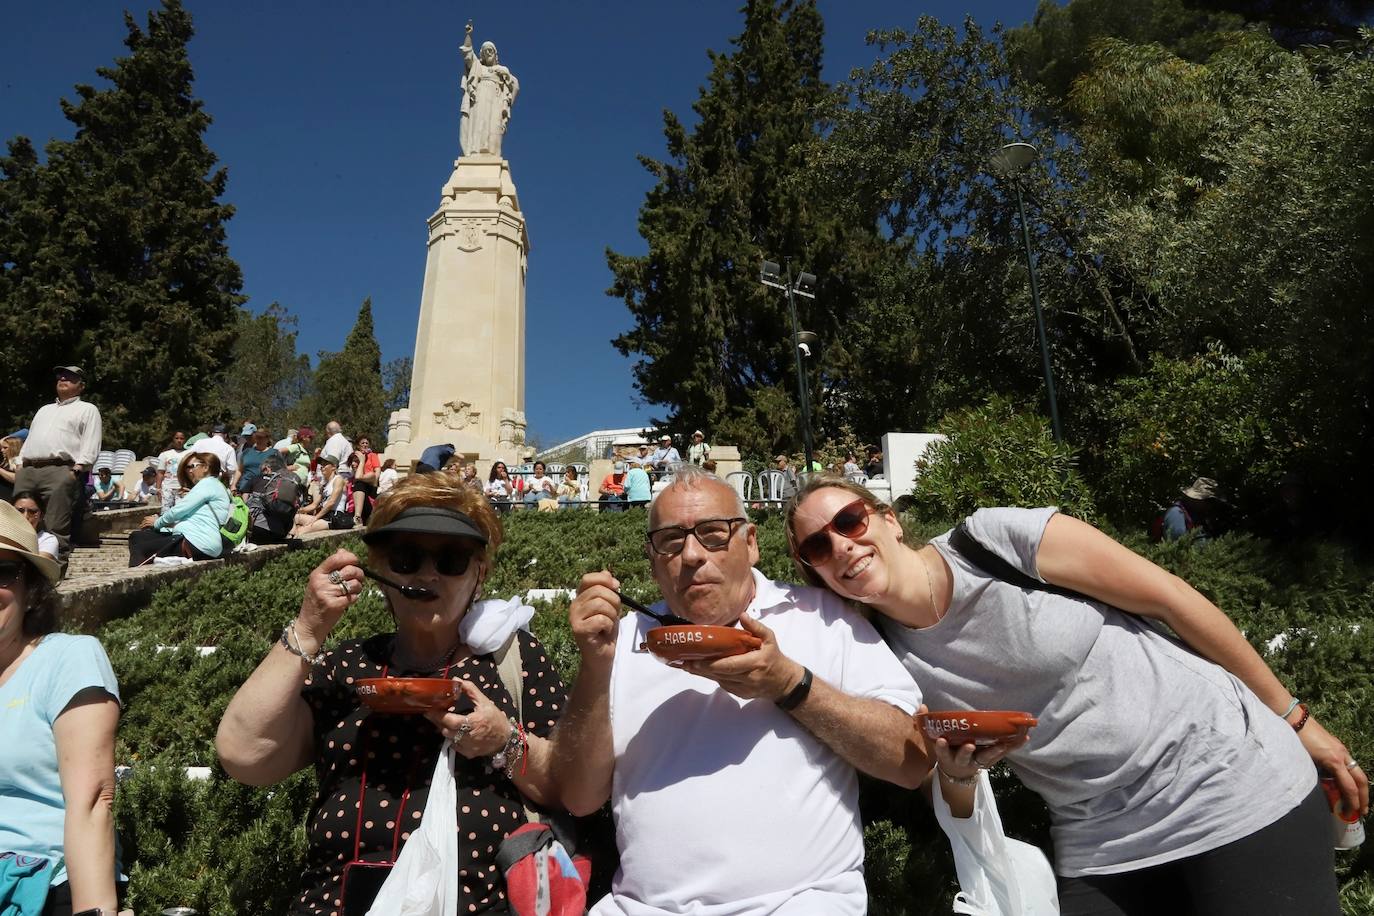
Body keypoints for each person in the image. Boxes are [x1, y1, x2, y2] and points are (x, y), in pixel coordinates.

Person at [784, 477, 1366, 916]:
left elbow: (1171, 598)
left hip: (1226, 781)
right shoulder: (881, 655)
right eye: (816, 547)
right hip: (1099, 840)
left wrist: (1294, 718)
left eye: (850, 521)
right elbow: (945, 785)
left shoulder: (992, 542)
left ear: (888, 520)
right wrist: (960, 771)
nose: (840, 546)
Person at [553, 465, 930, 915]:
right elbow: (578, 797)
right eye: (672, 540)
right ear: (653, 559)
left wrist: (788, 683)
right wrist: (595, 668)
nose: (692, 554)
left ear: (750, 543)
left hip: (799, 904)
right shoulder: (622, 639)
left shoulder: (822, 618)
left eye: (713, 533)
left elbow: (910, 760)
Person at [215, 471, 567, 916]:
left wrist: (504, 742)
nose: (427, 573)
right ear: (381, 572)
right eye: (405, 558)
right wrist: (309, 627)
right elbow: (245, 754)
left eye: (451, 559)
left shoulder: (512, 660)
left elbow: (568, 786)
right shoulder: (347, 665)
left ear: (478, 574)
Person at [0, 500, 123, 916]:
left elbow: (91, 800)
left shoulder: (67, 658)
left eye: (2, 572)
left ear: (29, 588)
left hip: (36, 880)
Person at [15, 366, 102, 574]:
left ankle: (53, 576)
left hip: (60, 470)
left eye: (70, 377)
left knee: (55, 526)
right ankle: (15, 571)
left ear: (81, 386)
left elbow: (91, 442)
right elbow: (31, 438)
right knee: (17, 522)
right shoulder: (44, 410)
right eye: (60, 376)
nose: (63, 378)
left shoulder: (87, 409)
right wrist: (19, 464)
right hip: (28, 470)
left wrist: (76, 471)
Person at [128, 452, 230, 566]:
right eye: (187, 468)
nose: (189, 471)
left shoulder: (207, 484)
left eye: (192, 466)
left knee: (140, 547)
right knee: (137, 537)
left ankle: (136, 580)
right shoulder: (214, 486)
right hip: (194, 540)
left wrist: (157, 523)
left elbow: (178, 511)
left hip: (196, 543)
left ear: (205, 467)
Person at [459, 21, 519, 157]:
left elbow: (515, 86)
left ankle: (492, 154)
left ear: (495, 54)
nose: (488, 53)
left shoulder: (502, 71)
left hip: (496, 100)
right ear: (482, 55)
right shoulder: (478, 67)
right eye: (485, 51)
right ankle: (474, 153)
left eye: (490, 50)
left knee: (494, 127)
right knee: (479, 124)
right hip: (479, 98)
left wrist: (508, 100)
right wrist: (468, 34)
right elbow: (467, 53)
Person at [290, 455, 352, 536]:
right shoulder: (324, 485)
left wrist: (316, 517)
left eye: (325, 464)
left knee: (301, 531)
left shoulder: (338, 479)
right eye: (321, 465)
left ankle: (293, 543)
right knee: (294, 517)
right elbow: (314, 505)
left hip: (335, 517)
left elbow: (331, 502)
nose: (322, 467)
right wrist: (298, 510)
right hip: (325, 515)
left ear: (333, 467)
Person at [1158, 477, 1225, 543]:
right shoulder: (1177, 514)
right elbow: (1178, 545)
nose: (1210, 505)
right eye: (1208, 501)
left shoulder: (1198, 515)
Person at [12, 492, 59, 564]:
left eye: (32, 512)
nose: (25, 517)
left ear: (41, 516)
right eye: (20, 511)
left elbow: (38, 565)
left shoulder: (47, 540)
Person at [350, 435, 382, 524]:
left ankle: (357, 516)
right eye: (362, 443)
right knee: (359, 483)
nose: (365, 445)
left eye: (367, 443)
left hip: (370, 481)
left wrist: (375, 481)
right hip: (359, 482)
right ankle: (357, 516)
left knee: (361, 480)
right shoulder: (356, 456)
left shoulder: (372, 455)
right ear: (358, 445)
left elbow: (377, 471)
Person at [234, 427, 274, 494]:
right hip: (244, 488)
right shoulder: (247, 452)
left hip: (264, 489)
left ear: (267, 439)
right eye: (257, 437)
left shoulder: (274, 453)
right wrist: (233, 485)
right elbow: (239, 470)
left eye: (261, 438)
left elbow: (281, 471)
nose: (259, 440)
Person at [156, 430, 187, 509]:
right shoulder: (165, 454)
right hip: (167, 487)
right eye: (177, 438)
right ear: (173, 439)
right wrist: (158, 489)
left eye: (181, 438)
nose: (179, 441)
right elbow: (160, 472)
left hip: (182, 488)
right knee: (166, 511)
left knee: (180, 511)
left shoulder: (188, 454)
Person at [0, 430, 25, 504]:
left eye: (5, 448)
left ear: (14, 448)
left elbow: (17, 478)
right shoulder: (5, 462)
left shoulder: (19, 462)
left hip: (11, 499)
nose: (2, 450)